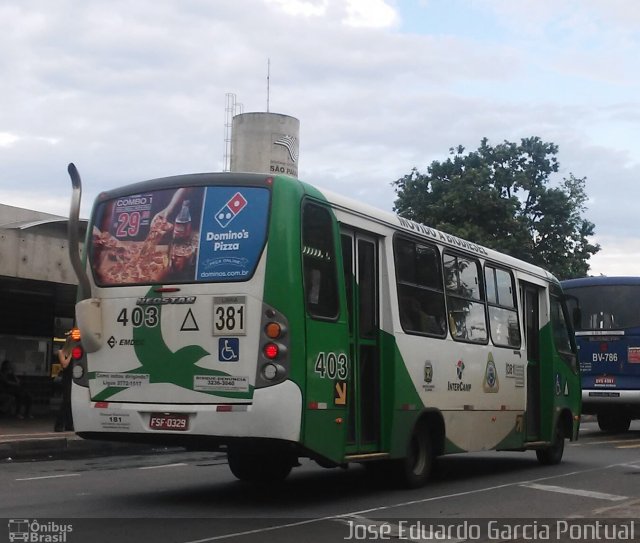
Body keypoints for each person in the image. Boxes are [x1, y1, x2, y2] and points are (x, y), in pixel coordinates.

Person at [54, 334, 74, 432]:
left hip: (73, 379)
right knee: (66, 401)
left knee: (70, 402)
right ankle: (59, 424)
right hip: (66, 379)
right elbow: (64, 364)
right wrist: (71, 354)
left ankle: (69, 424)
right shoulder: (61, 352)